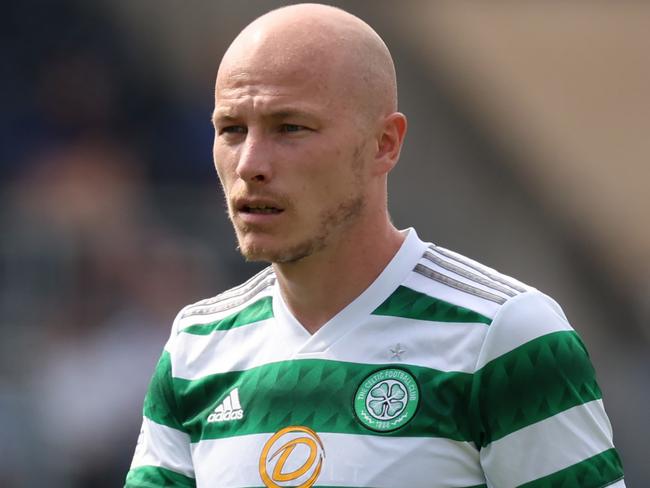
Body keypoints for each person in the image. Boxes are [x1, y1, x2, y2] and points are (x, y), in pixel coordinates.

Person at [125, 4, 625, 487]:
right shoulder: (196, 346)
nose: (251, 163)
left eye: (290, 128)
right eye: (231, 129)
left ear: (385, 143)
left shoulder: (506, 337)